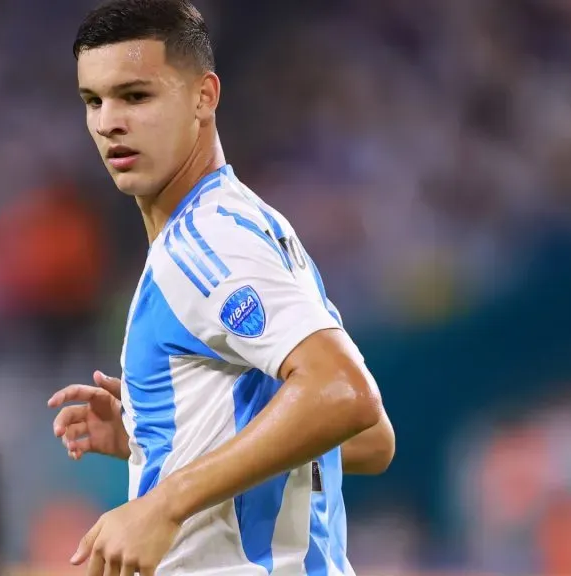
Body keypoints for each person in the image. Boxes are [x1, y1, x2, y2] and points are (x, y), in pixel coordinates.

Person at [47, 1, 396, 574]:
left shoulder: (206, 244)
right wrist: (167, 441)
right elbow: (369, 440)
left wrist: (164, 501)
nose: (109, 120)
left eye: (136, 96)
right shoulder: (251, 225)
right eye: (94, 100)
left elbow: (346, 395)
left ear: (204, 97)